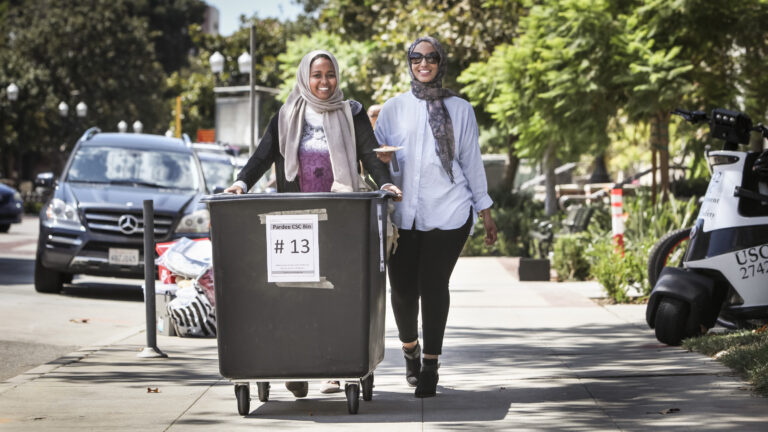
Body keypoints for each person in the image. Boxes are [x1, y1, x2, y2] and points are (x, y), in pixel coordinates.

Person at [225, 49, 402, 397]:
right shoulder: (287, 114)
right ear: (305, 77)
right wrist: (241, 182)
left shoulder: (351, 113)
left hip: (341, 219)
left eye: (330, 74)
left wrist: (384, 183)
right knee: (295, 293)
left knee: (339, 293)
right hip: (296, 220)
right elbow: (262, 156)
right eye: (317, 75)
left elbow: (368, 152)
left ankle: (335, 367)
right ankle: (296, 363)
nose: (324, 82)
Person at [374, 36, 498, 398]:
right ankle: (410, 348)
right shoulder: (394, 108)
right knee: (402, 290)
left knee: (433, 285)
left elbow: (471, 162)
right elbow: (377, 160)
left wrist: (485, 210)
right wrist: (381, 163)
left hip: (449, 209)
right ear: (409, 62)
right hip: (402, 215)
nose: (423, 63)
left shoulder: (460, 108)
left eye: (431, 57)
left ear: (441, 62)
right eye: (416, 57)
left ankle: (430, 363)